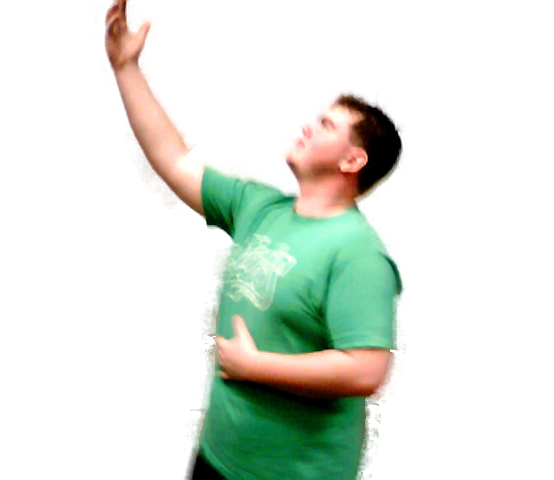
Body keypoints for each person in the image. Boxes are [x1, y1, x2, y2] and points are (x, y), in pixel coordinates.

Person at [105, 1, 403, 478]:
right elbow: (174, 160)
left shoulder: (358, 252)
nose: (307, 126)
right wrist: (126, 68)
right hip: (218, 459)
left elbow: (366, 369)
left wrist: (255, 366)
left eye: (326, 126)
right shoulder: (257, 208)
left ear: (352, 161)